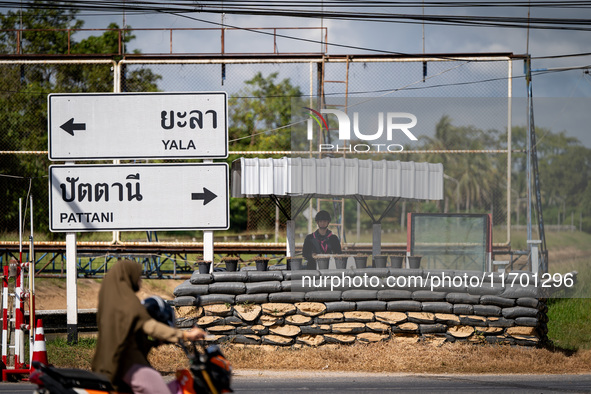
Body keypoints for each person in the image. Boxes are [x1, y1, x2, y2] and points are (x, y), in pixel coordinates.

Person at [92, 259, 205, 394]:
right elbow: (149, 326)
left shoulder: (111, 304)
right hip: (128, 364)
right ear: (127, 276)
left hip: (113, 364)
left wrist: (154, 342)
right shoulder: (128, 303)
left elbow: (129, 334)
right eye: (137, 276)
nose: (140, 280)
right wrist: (185, 334)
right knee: (156, 383)